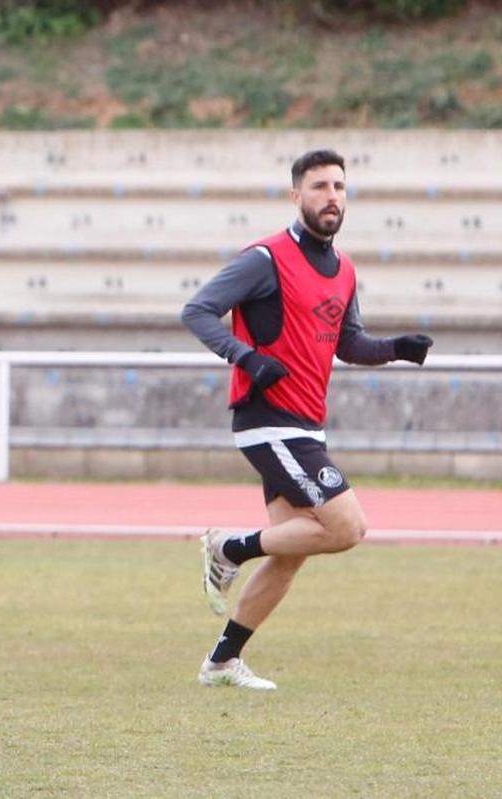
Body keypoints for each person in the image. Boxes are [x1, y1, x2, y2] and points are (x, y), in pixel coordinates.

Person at [181, 149, 433, 690]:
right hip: (269, 420)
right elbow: (197, 310)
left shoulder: (344, 270)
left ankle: (222, 661)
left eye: (339, 187)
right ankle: (228, 547)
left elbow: (349, 343)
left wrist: (395, 348)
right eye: (319, 186)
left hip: (306, 424)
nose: (332, 197)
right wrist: (246, 357)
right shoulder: (265, 258)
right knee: (347, 527)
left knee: (294, 548)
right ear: (297, 195)